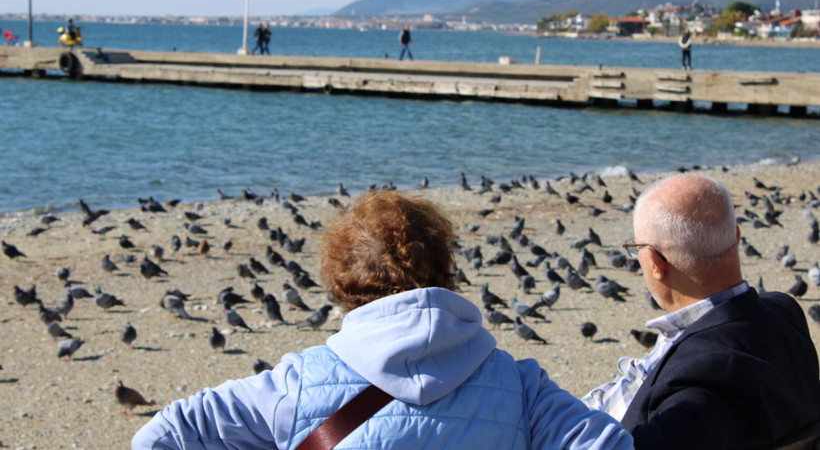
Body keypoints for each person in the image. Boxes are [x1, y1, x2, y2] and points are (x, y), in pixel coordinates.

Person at [133, 190, 632, 449]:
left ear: (340, 285)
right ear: (447, 273)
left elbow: (161, 436)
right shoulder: (523, 389)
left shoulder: (297, 385)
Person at [582, 174, 820, 449]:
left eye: (636, 251)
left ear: (655, 262)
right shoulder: (785, 310)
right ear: (737, 237)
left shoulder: (697, 383)